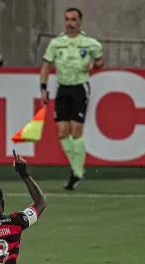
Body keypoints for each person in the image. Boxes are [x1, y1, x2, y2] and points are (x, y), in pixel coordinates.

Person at [40, 7, 103, 191]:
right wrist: (43, 88)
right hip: (62, 88)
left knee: (76, 130)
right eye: (67, 19)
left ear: (80, 22)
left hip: (80, 88)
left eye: (73, 19)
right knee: (62, 132)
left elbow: (100, 61)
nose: (70, 23)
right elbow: (46, 66)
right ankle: (78, 171)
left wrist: (94, 65)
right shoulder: (56, 43)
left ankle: (77, 172)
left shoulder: (90, 43)